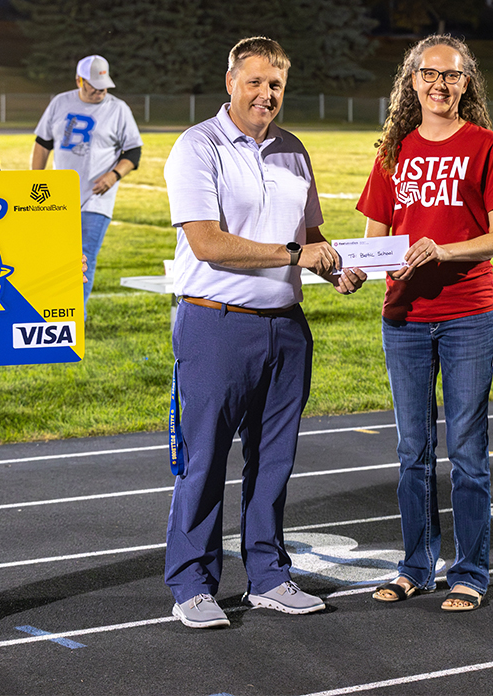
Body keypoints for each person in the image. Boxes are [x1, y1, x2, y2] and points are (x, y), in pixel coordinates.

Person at [162, 37, 366, 629]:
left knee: (274, 461)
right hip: (215, 323)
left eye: (275, 84)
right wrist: (298, 253)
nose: (265, 94)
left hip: (286, 327)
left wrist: (337, 270)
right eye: (254, 82)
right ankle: (193, 584)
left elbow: (312, 235)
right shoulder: (197, 146)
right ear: (230, 82)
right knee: (202, 461)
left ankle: (269, 576)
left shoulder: (294, 149)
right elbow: (207, 242)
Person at [358, 36, 493, 612]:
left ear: (466, 82)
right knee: (412, 450)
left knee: (469, 451)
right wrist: (355, 271)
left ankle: (470, 571)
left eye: (451, 76)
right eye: (428, 74)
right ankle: (415, 566)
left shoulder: (486, 146)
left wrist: (442, 251)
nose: (439, 84)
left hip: (469, 316)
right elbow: (374, 241)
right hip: (402, 318)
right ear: (412, 81)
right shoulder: (394, 150)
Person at [32, 55, 142, 307]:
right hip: (60, 196)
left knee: (84, 257)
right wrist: (34, 182)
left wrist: (114, 175)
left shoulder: (118, 109)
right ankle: (55, 307)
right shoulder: (60, 102)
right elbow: (42, 144)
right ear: (79, 80)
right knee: (56, 258)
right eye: (93, 85)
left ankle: (75, 318)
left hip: (96, 198)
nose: (100, 91)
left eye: (103, 85)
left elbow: (133, 151)